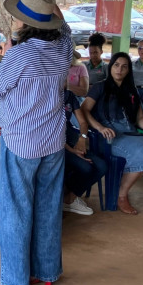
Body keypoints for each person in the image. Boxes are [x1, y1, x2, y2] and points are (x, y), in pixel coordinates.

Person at [0, 0, 74, 285]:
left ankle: (15, 279)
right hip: (53, 139)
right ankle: (47, 273)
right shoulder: (63, 47)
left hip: (22, 139)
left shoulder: (21, 53)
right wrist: (51, 5)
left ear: (24, 22)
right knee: (48, 207)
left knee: (13, 209)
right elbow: (65, 28)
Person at [81, 52, 143, 215]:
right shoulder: (99, 87)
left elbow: (139, 119)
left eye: (124, 66)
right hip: (110, 137)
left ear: (128, 70)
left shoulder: (132, 91)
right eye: (116, 65)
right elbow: (84, 110)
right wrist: (100, 127)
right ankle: (121, 195)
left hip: (130, 134)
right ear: (111, 67)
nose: (119, 70)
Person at [62, 87, 105, 215]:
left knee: (101, 166)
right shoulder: (46, 94)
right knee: (85, 167)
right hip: (55, 145)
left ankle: (70, 198)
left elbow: (82, 122)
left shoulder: (68, 95)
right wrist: (72, 150)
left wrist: (82, 139)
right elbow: (49, 130)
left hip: (70, 139)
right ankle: (65, 198)